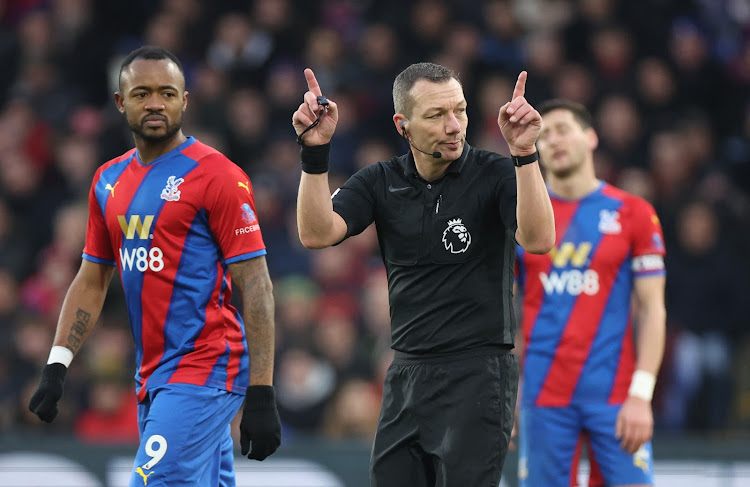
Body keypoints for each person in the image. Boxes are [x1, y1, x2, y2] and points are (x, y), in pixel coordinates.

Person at [28, 46, 281, 487]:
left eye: (167, 93)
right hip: (153, 377)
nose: (155, 103)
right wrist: (57, 364)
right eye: (142, 93)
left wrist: (262, 389)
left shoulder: (217, 175)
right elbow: (91, 278)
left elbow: (256, 283)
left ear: (185, 101)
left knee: (152, 482)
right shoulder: (108, 180)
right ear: (120, 102)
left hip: (205, 367)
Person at [292, 62, 555, 486]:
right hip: (407, 373)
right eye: (436, 115)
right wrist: (315, 151)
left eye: (461, 111)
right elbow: (317, 233)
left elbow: (540, 240)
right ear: (404, 125)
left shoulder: (495, 173)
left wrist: (525, 153)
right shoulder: (381, 181)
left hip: (479, 374)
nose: (454, 126)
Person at [514, 99, 666, 487]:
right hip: (543, 396)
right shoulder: (522, 220)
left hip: (615, 397)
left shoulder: (634, 212)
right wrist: (508, 391)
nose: (553, 141)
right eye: (543, 135)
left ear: (591, 137)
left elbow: (652, 310)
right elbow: (504, 313)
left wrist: (641, 395)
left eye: (563, 129)